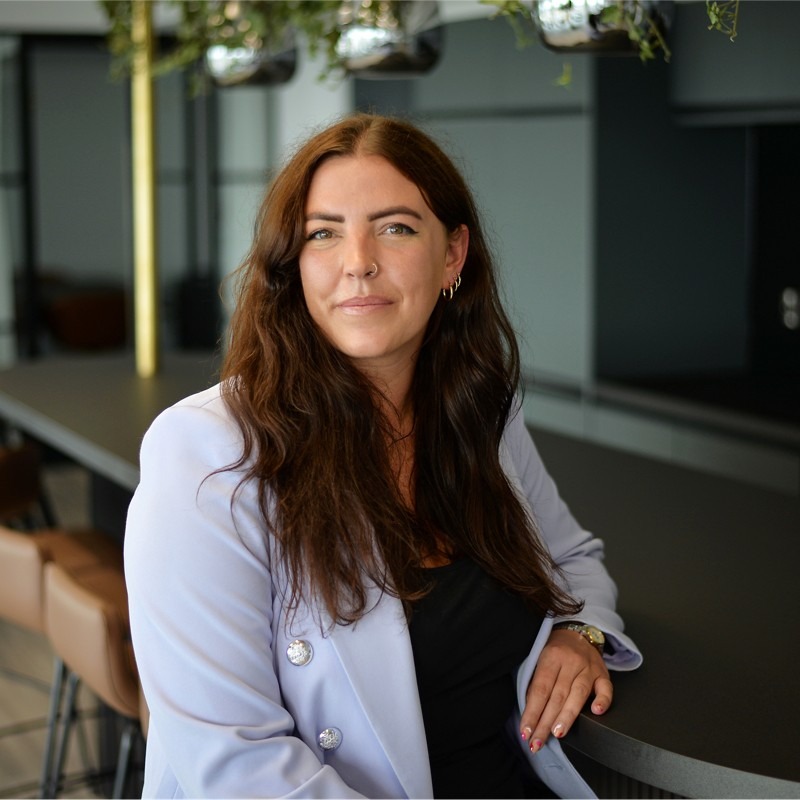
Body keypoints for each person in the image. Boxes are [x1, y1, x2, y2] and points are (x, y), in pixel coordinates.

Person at [125, 112, 642, 799]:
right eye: (323, 233)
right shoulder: (207, 452)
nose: (358, 261)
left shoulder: (476, 411)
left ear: (453, 255)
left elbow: (573, 559)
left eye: (395, 228)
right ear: (293, 264)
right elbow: (236, 766)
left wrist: (580, 634)